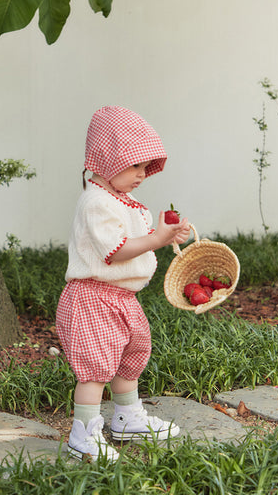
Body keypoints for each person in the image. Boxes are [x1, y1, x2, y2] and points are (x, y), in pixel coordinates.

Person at [56, 106, 190, 461]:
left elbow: (137, 239)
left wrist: (167, 233)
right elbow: (115, 251)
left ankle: (126, 417)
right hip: (92, 298)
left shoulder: (124, 201)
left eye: (146, 167)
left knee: (130, 355)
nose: (142, 175)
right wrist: (157, 240)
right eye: (134, 166)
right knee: (96, 367)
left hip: (122, 298)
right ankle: (82, 434)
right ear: (105, 160)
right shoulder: (96, 202)